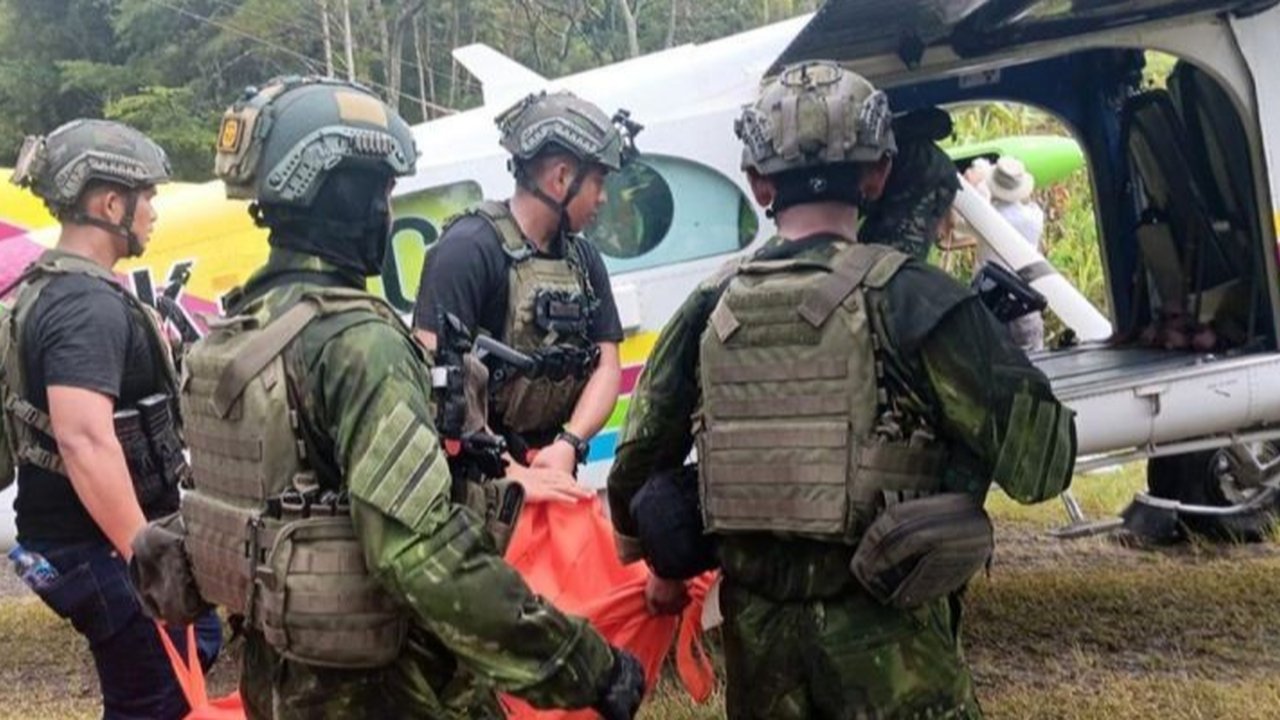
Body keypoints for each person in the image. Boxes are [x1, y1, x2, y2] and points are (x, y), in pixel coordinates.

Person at [159, 76, 643, 719]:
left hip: (279, 681)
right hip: (382, 688)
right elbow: (421, 552)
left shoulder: (239, 333)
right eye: (383, 191)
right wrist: (583, 665)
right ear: (349, 198)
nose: (387, 211)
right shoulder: (358, 344)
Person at [608, 61, 1077, 719]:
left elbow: (636, 466)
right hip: (898, 656)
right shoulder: (920, 301)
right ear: (879, 174)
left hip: (762, 657)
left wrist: (657, 568)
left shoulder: (709, 307)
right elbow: (1042, 467)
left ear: (758, 181)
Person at [0, 119, 221, 719]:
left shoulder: (57, 288)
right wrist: (145, 557)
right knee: (157, 701)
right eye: (146, 196)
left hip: (84, 540)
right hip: (97, 545)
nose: (153, 210)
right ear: (110, 203)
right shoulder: (84, 305)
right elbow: (85, 438)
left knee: (179, 667)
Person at [413, 90, 641, 501]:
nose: (602, 198)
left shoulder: (583, 259)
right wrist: (513, 473)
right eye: (598, 182)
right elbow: (434, 376)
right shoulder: (466, 250)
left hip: (553, 473)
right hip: (479, 491)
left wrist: (568, 444)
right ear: (561, 178)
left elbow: (608, 367)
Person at [859, 106, 962, 260]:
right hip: (909, 256)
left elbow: (866, 196)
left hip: (882, 247)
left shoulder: (899, 150)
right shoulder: (945, 165)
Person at [981, 155, 1048, 351]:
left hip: (991, 306)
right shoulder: (1035, 217)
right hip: (1025, 306)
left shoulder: (986, 217)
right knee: (1036, 362)